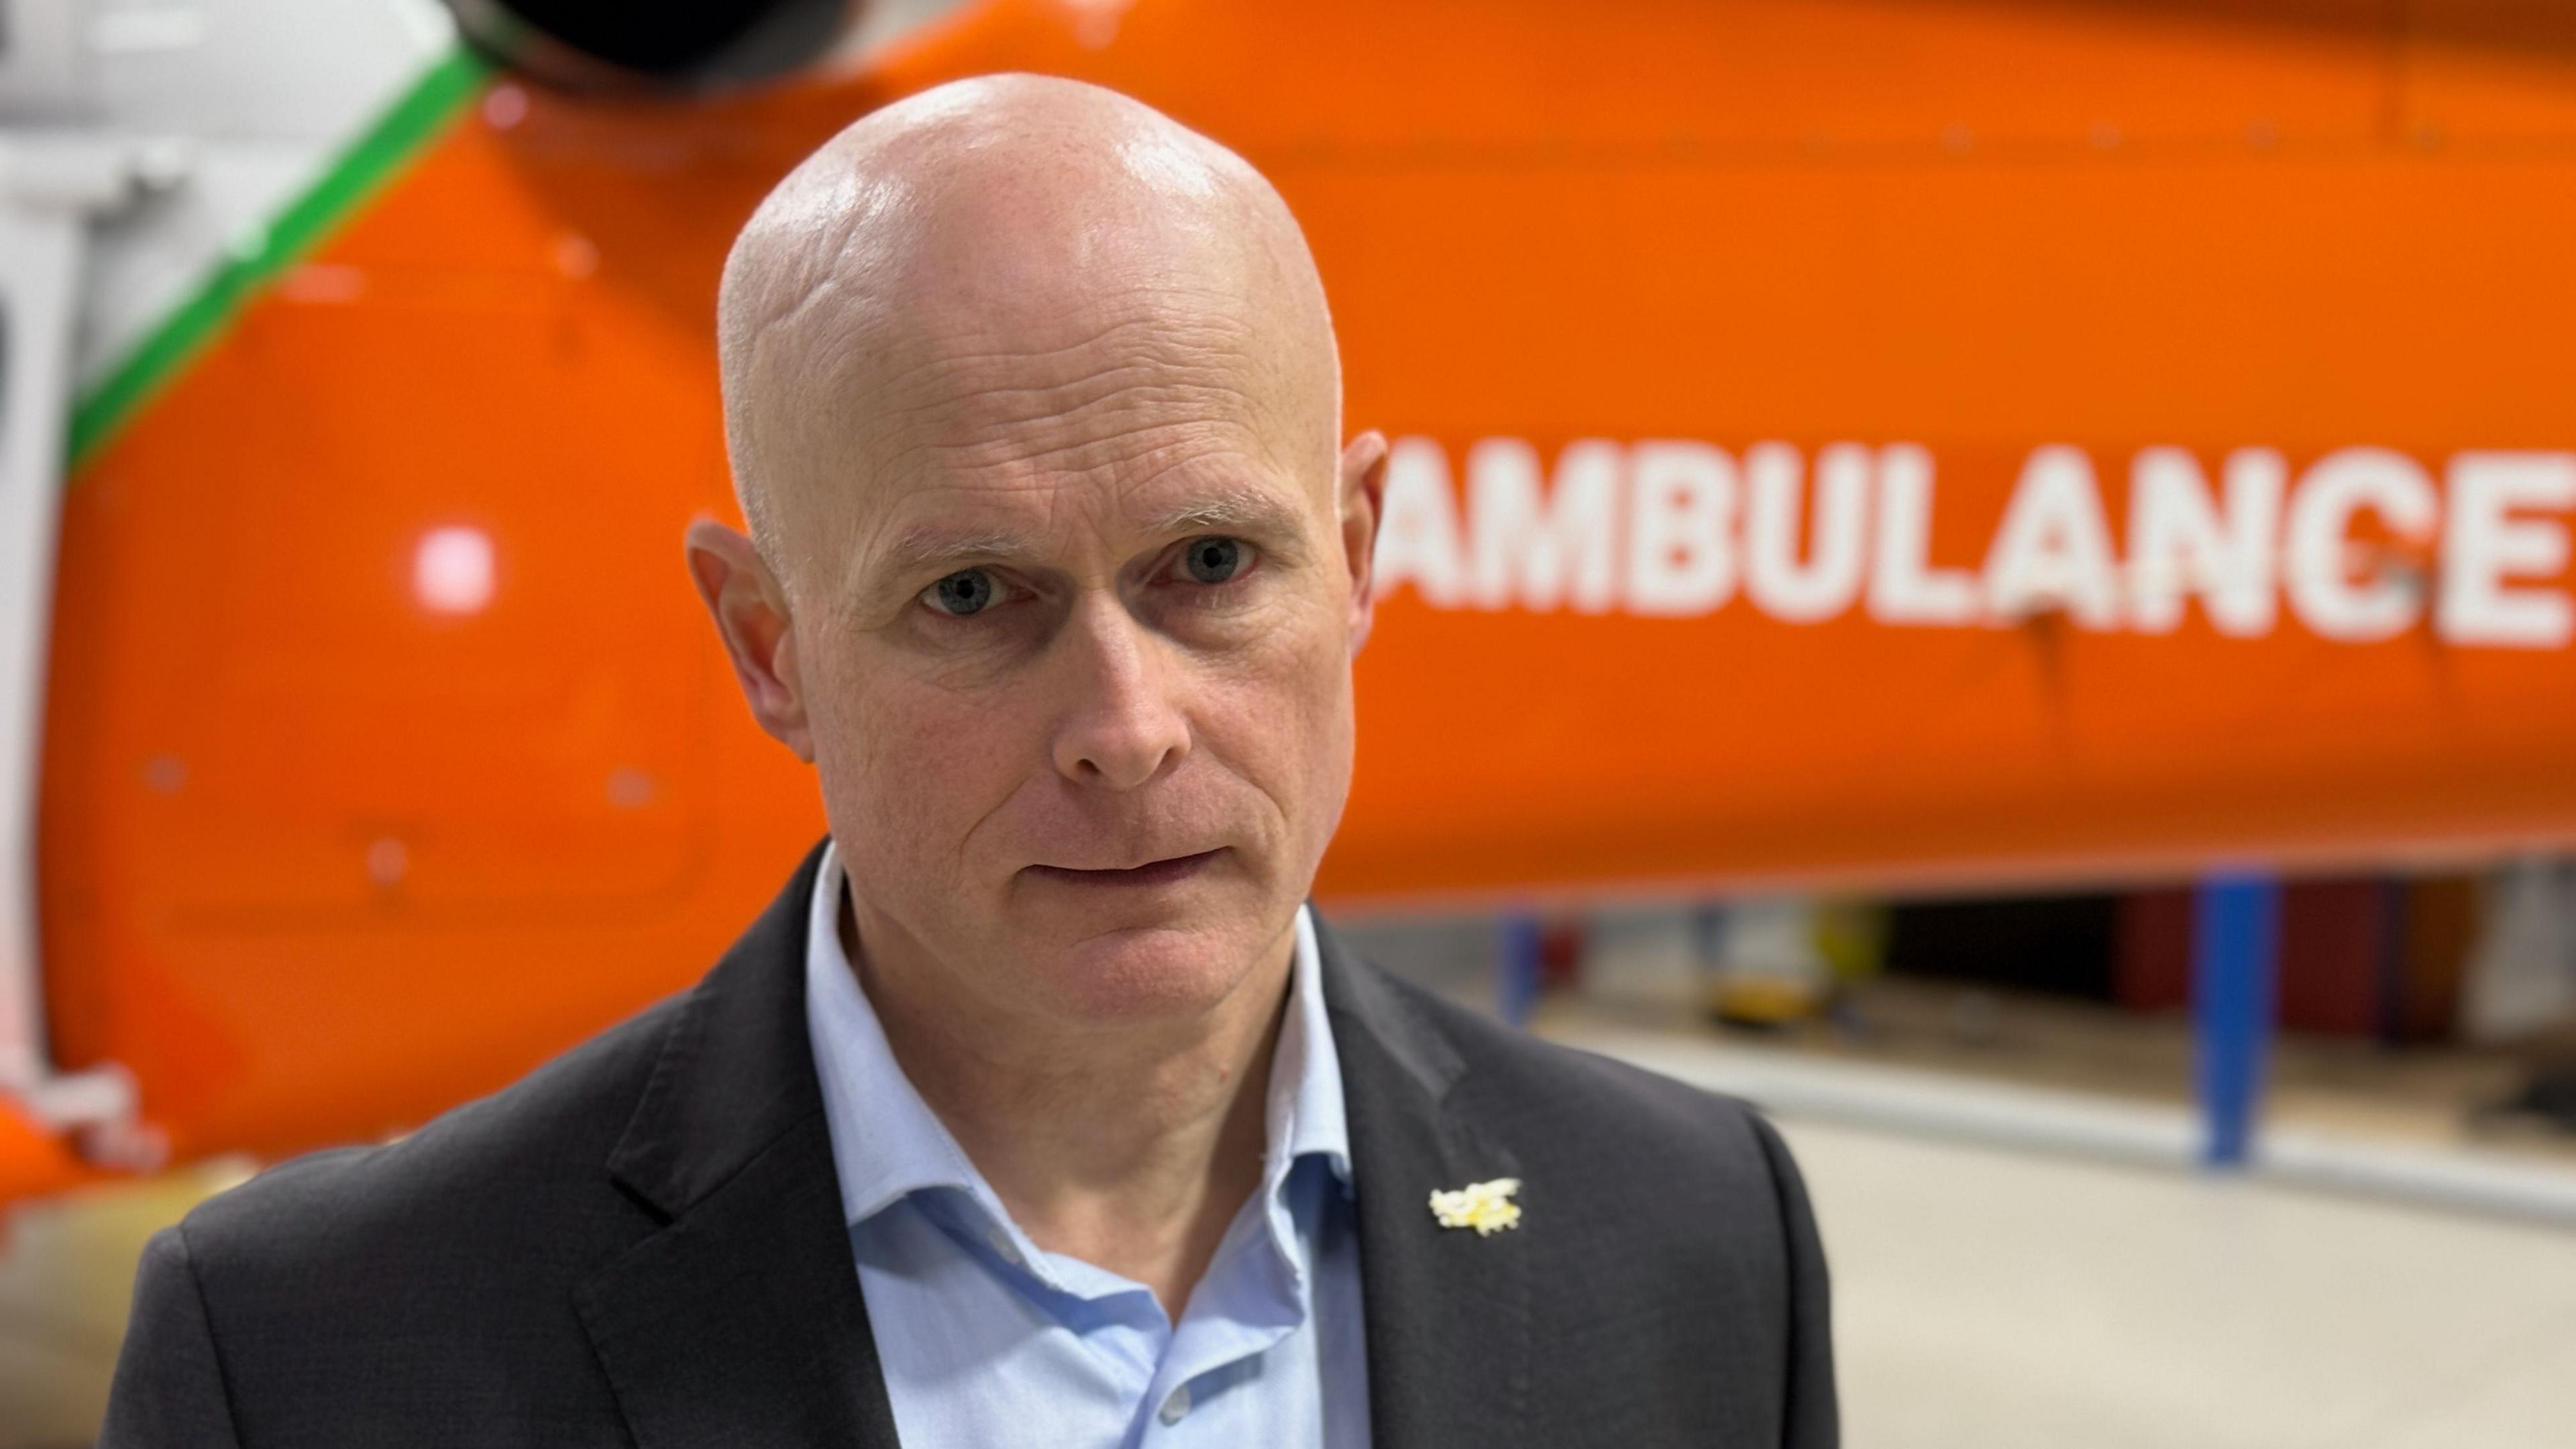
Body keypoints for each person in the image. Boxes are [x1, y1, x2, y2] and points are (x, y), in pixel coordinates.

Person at [99, 74, 1834, 1448]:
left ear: (1359, 549)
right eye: (974, 594)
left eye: (1212, 567)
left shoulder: (1696, 1242)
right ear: (770, 648)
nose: (1126, 727)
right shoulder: (314, 1366)